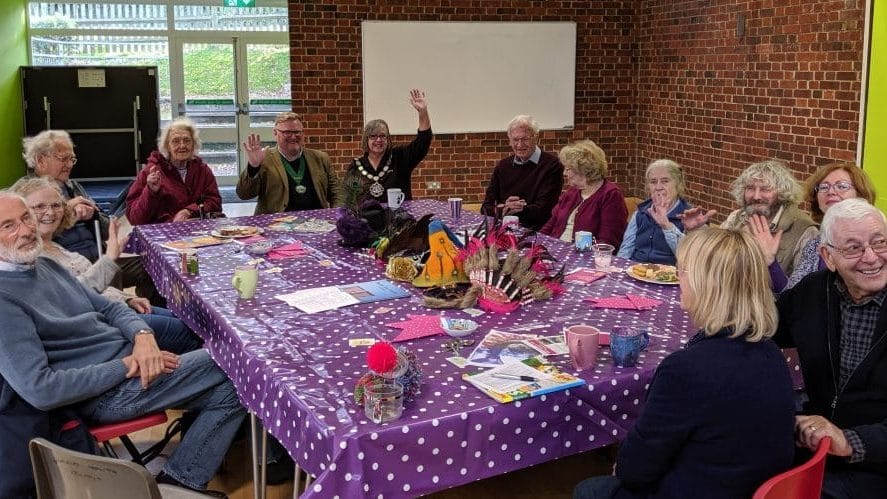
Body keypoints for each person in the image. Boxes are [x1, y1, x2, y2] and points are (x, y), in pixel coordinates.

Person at [0, 190, 244, 495]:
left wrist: (143, 337)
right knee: (239, 358)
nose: (25, 230)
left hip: (131, 366)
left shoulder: (45, 265)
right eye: (8, 226)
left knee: (236, 387)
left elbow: (111, 307)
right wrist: (126, 365)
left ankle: (180, 482)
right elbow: (42, 390)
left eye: (26, 218)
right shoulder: (5, 301)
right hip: (105, 393)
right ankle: (185, 478)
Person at [574, 228, 796, 499]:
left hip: (703, 487)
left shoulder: (686, 369)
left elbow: (635, 469)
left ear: (705, 285)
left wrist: (624, 467)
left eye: (682, 271)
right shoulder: (771, 354)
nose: (679, 278)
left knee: (590, 490)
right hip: (753, 487)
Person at [11, 176, 201, 354]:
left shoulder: (52, 246)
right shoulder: (30, 256)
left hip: (113, 309)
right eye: (39, 207)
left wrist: (126, 298)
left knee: (190, 320)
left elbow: (90, 291)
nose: (50, 212)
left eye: (56, 205)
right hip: (100, 326)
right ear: (23, 214)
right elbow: (72, 297)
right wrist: (109, 258)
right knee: (193, 332)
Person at [775, 198, 887, 498]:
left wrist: (849, 440)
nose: (871, 257)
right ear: (828, 256)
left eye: (880, 243)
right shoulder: (814, 290)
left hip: (876, 464)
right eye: (853, 248)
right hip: (816, 448)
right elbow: (763, 329)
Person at [21, 130, 162, 306]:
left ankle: (147, 309)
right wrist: (67, 210)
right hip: (70, 267)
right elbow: (31, 236)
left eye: (71, 159)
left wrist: (92, 215)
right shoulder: (25, 193)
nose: (69, 165)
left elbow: (105, 231)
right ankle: (124, 312)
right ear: (40, 160)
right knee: (112, 281)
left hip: (98, 255)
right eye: (63, 159)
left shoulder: (73, 186)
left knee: (153, 263)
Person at [750, 162, 876, 292]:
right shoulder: (815, 245)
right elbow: (793, 295)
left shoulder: (877, 238)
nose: (831, 191)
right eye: (824, 187)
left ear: (860, 194)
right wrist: (771, 262)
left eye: (842, 186)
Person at [721, 159, 817, 276]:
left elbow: (804, 285)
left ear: (782, 193)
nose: (756, 196)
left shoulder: (805, 231)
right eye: (750, 188)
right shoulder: (736, 218)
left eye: (765, 189)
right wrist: (701, 229)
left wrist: (771, 263)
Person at [237, 112, 341, 214]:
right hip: (276, 222)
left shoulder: (321, 158)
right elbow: (244, 194)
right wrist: (253, 167)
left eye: (297, 132)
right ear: (275, 133)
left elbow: (336, 191)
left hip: (317, 220)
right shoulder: (264, 158)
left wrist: (338, 213)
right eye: (287, 132)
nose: (293, 137)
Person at [126, 117, 222, 225]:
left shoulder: (203, 170)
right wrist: (150, 191)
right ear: (167, 146)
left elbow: (215, 203)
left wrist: (188, 211)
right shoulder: (151, 172)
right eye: (175, 141)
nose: (182, 146)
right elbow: (134, 218)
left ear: (194, 144)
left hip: (197, 229)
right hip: (163, 232)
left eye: (187, 140)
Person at [344, 88, 431, 202]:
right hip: (367, 214)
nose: (378, 140)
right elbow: (351, 197)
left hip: (399, 213)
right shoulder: (356, 166)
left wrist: (423, 112)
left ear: (388, 139)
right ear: (366, 139)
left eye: (383, 136)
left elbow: (423, 142)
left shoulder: (400, 157)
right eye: (373, 136)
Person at [481, 115, 564, 230]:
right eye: (515, 140)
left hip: (537, 232)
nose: (520, 145)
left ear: (536, 138)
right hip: (503, 230)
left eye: (525, 139)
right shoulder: (502, 166)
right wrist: (504, 209)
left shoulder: (552, 165)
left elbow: (544, 211)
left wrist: (513, 209)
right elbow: (485, 208)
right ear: (510, 141)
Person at [539, 139, 627, 247]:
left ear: (582, 170)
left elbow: (608, 240)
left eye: (568, 169)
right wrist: (536, 242)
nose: (564, 173)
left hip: (584, 254)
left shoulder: (610, 195)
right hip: (554, 249)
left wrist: (572, 252)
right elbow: (551, 224)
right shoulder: (571, 192)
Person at [617, 159, 691, 264]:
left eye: (665, 181)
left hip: (669, 272)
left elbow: (688, 258)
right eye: (653, 182)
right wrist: (619, 268)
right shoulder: (641, 212)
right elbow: (625, 250)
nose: (658, 187)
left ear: (678, 184)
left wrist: (666, 226)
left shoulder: (689, 216)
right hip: (635, 269)